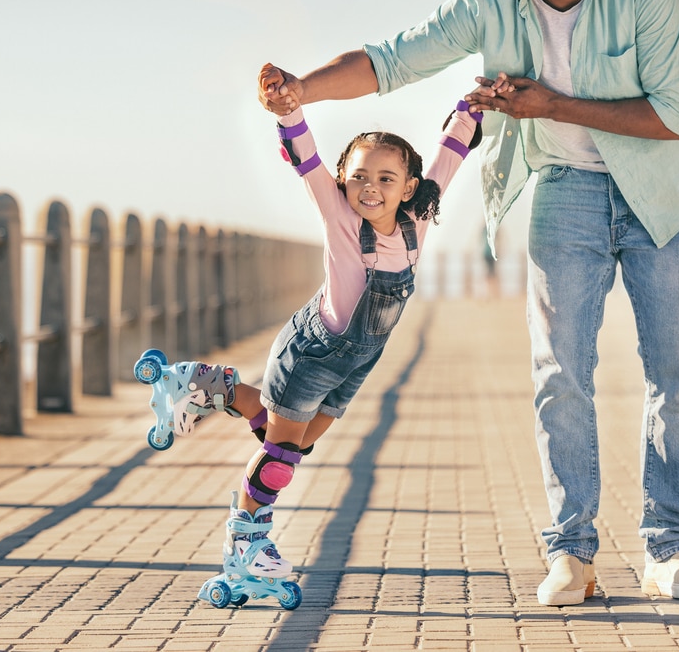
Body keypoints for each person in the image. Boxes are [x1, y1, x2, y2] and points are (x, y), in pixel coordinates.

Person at [256, 0, 679, 605]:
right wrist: (300, 92)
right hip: (565, 190)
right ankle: (571, 554)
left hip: (662, 195)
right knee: (558, 373)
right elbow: (393, 58)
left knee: (673, 374)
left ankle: (671, 547)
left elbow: (673, 114)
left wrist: (548, 105)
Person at [160, 80, 482, 604]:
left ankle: (206, 387)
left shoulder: (418, 218)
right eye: (358, 177)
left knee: (292, 440)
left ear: (409, 186)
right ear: (342, 181)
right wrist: (290, 111)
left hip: (358, 363)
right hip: (312, 353)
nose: (370, 187)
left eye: (385, 177)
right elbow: (303, 158)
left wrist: (472, 108)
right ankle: (246, 544)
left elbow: (452, 152)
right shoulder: (338, 216)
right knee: (281, 456)